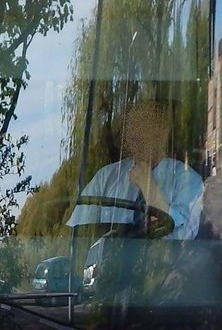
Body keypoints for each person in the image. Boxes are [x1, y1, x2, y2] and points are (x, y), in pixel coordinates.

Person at [67, 101, 204, 239]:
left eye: (145, 128)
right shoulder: (106, 177)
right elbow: (78, 234)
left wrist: (151, 192)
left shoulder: (188, 180)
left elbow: (183, 240)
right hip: (108, 259)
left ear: (163, 133)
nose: (137, 136)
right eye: (132, 129)